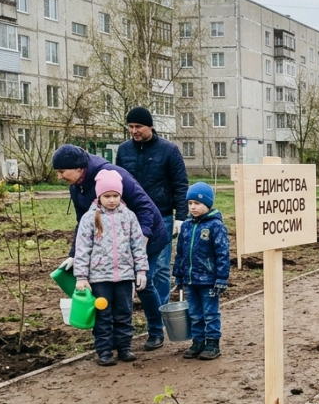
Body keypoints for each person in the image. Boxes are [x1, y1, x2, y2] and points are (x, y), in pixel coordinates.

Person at [53, 144, 171, 349]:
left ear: (79, 167)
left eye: (62, 171)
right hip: (111, 244)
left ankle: (156, 329)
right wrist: (74, 255)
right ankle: (114, 338)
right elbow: (83, 223)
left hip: (145, 235)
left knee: (144, 283)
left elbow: (144, 207)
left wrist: (141, 243)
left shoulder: (114, 176)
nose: (60, 176)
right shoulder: (77, 186)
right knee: (107, 287)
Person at [115, 106, 188, 350]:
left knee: (157, 270)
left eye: (139, 127)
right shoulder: (124, 150)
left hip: (163, 217)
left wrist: (181, 216)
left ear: (151, 127)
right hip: (132, 219)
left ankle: (159, 321)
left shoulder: (168, 150)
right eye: (131, 127)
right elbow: (118, 182)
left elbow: (180, 184)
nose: (134, 131)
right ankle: (155, 318)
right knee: (137, 269)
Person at [72, 170, 149, 366]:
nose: (112, 200)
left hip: (124, 276)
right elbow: (82, 248)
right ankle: (104, 351)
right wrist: (81, 276)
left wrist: (141, 271)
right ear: (99, 196)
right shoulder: (90, 218)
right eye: (107, 196)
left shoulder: (129, 216)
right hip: (99, 279)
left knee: (124, 313)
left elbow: (137, 245)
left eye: (116, 196)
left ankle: (124, 347)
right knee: (103, 316)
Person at [173, 182, 230, 359]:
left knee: (210, 313)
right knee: (195, 313)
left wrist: (221, 277)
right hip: (191, 279)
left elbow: (222, 253)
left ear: (207, 204)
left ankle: (213, 343)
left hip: (209, 280)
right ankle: (198, 341)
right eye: (190, 204)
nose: (193, 207)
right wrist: (179, 274)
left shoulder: (215, 226)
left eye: (197, 203)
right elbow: (180, 252)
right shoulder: (187, 226)